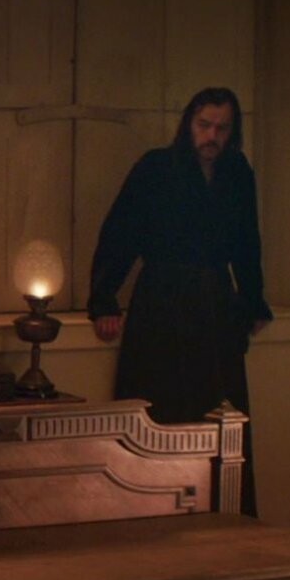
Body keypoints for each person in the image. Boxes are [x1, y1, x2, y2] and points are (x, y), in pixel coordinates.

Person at [87, 87, 271, 517]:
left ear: (233, 131)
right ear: (189, 123)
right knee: (160, 408)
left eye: (222, 128)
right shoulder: (156, 168)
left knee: (218, 414)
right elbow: (119, 234)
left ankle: (222, 512)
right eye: (204, 125)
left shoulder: (237, 173)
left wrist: (253, 302)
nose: (212, 136)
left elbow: (248, 243)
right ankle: (151, 511)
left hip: (216, 305)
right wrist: (104, 300)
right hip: (162, 302)